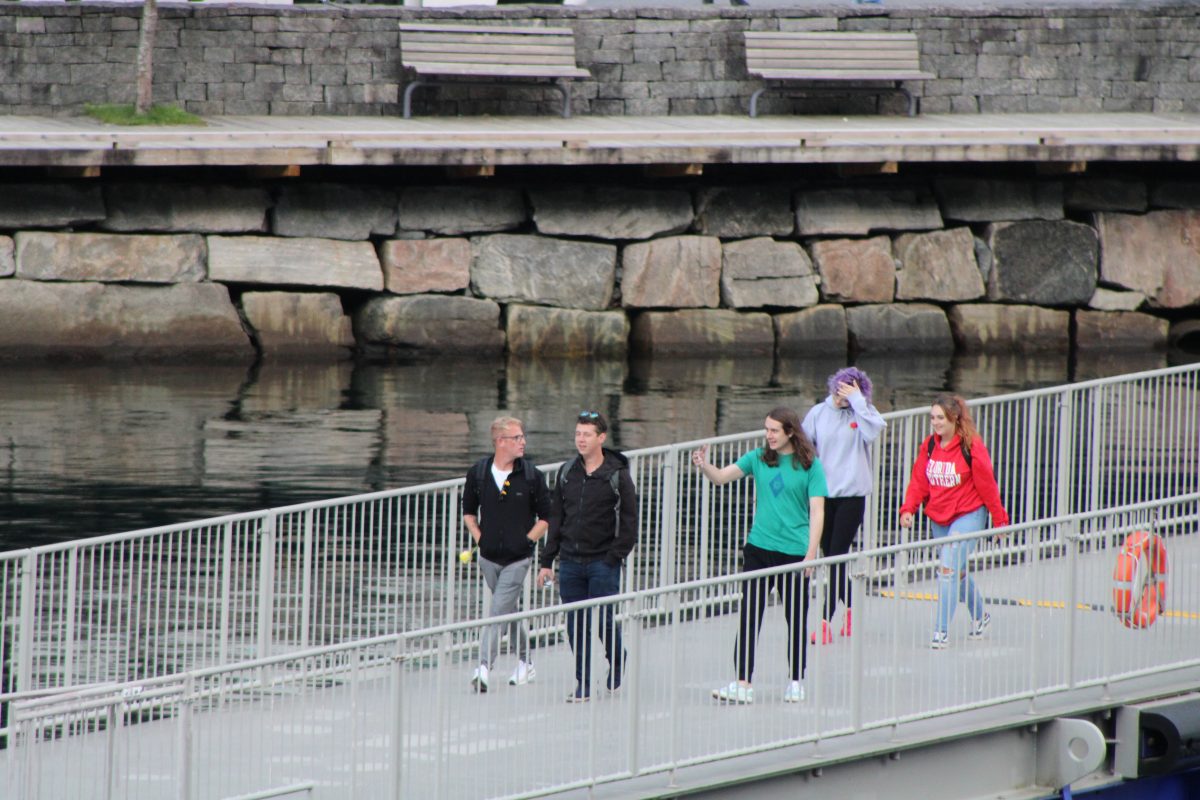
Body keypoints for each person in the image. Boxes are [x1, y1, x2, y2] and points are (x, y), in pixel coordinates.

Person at [693, 406, 826, 705]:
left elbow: (818, 511)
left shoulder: (810, 465)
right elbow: (721, 477)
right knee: (749, 615)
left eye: (774, 430)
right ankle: (743, 682)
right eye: (767, 430)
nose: (769, 436)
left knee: (796, 617)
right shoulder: (758, 458)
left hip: (793, 552)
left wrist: (811, 554)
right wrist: (705, 465)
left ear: (790, 431)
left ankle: (796, 680)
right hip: (758, 549)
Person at [537, 410, 639, 703]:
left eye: (587, 434)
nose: (581, 439)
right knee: (576, 624)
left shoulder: (617, 475)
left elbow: (630, 522)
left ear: (601, 438)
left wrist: (614, 557)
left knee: (605, 620)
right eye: (578, 434)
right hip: (570, 561)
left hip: (603, 562)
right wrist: (547, 561)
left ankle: (617, 658)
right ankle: (583, 682)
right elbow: (557, 518)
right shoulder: (567, 472)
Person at [899, 394, 1010, 650]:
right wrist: (909, 508)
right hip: (939, 516)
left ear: (954, 418)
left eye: (941, 418)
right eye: (932, 418)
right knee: (955, 572)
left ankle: (941, 631)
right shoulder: (929, 446)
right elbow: (919, 481)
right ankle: (981, 616)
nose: (935, 423)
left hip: (968, 514)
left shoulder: (971, 446)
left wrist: (1000, 520)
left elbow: (988, 485)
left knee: (947, 570)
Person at [462, 416, 552, 692]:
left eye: (522, 437)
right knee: (508, 611)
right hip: (488, 558)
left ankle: (483, 667)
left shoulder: (532, 475)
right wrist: (481, 539)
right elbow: (468, 513)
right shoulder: (478, 473)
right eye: (517, 438)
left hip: (518, 559)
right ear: (501, 441)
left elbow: (547, 517)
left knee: (498, 610)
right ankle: (526, 662)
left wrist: (527, 542)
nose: (523, 442)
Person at [802, 367, 886, 645]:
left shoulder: (863, 414)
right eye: (840, 390)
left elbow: (875, 430)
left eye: (849, 391)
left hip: (852, 496)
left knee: (837, 555)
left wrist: (858, 402)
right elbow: (804, 445)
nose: (842, 396)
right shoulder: (818, 413)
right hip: (824, 496)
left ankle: (825, 620)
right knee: (830, 555)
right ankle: (850, 609)